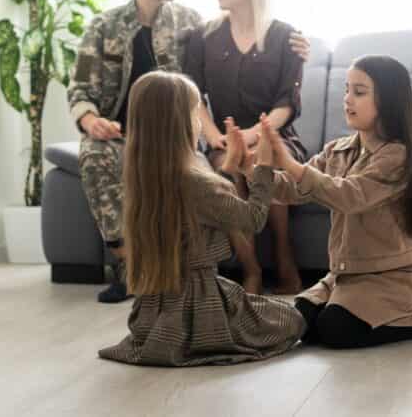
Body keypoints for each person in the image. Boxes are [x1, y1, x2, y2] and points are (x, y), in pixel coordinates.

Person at [229, 55, 412, 349]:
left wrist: (290, 163)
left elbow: (349, 196)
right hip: (346, 276)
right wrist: (248, 168)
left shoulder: (397, 156)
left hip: (393, 279)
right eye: (346, 90)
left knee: (334, 330)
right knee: (299, 320)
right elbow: (294, 190)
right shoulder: (337, 150)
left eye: (359, 92)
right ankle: (350, 313)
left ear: (388, 100)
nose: (347, 99)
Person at [97, 71, 305, 366]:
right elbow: (254, 219)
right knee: (292, 318)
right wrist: (264, 168)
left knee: (266, 307)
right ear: (179, 124)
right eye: (196, 115)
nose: (199, 124)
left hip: (151, 313)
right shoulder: (197, 184)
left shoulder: (143, 178)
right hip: (202, 306)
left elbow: (212, 207)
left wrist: (231, 169)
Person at [68, 0, 203, 303]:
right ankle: (130, 269)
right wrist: (91, 120)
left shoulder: (191, 24)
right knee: (94, 155)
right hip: (119, 135)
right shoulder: (104, 27)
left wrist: (290, 45)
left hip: (177, 136)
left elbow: (231, 53)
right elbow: (79, 89)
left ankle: (174, 271)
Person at [184, 0, 308, 295]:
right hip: (224, 139)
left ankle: (285, 261)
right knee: (230, 170)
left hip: (275, 134)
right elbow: (193, 96)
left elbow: (287, 102)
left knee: (264, 163)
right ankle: (251, 271)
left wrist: (257, 133)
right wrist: (213, 135)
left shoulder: (286, 36)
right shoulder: (203, 37)